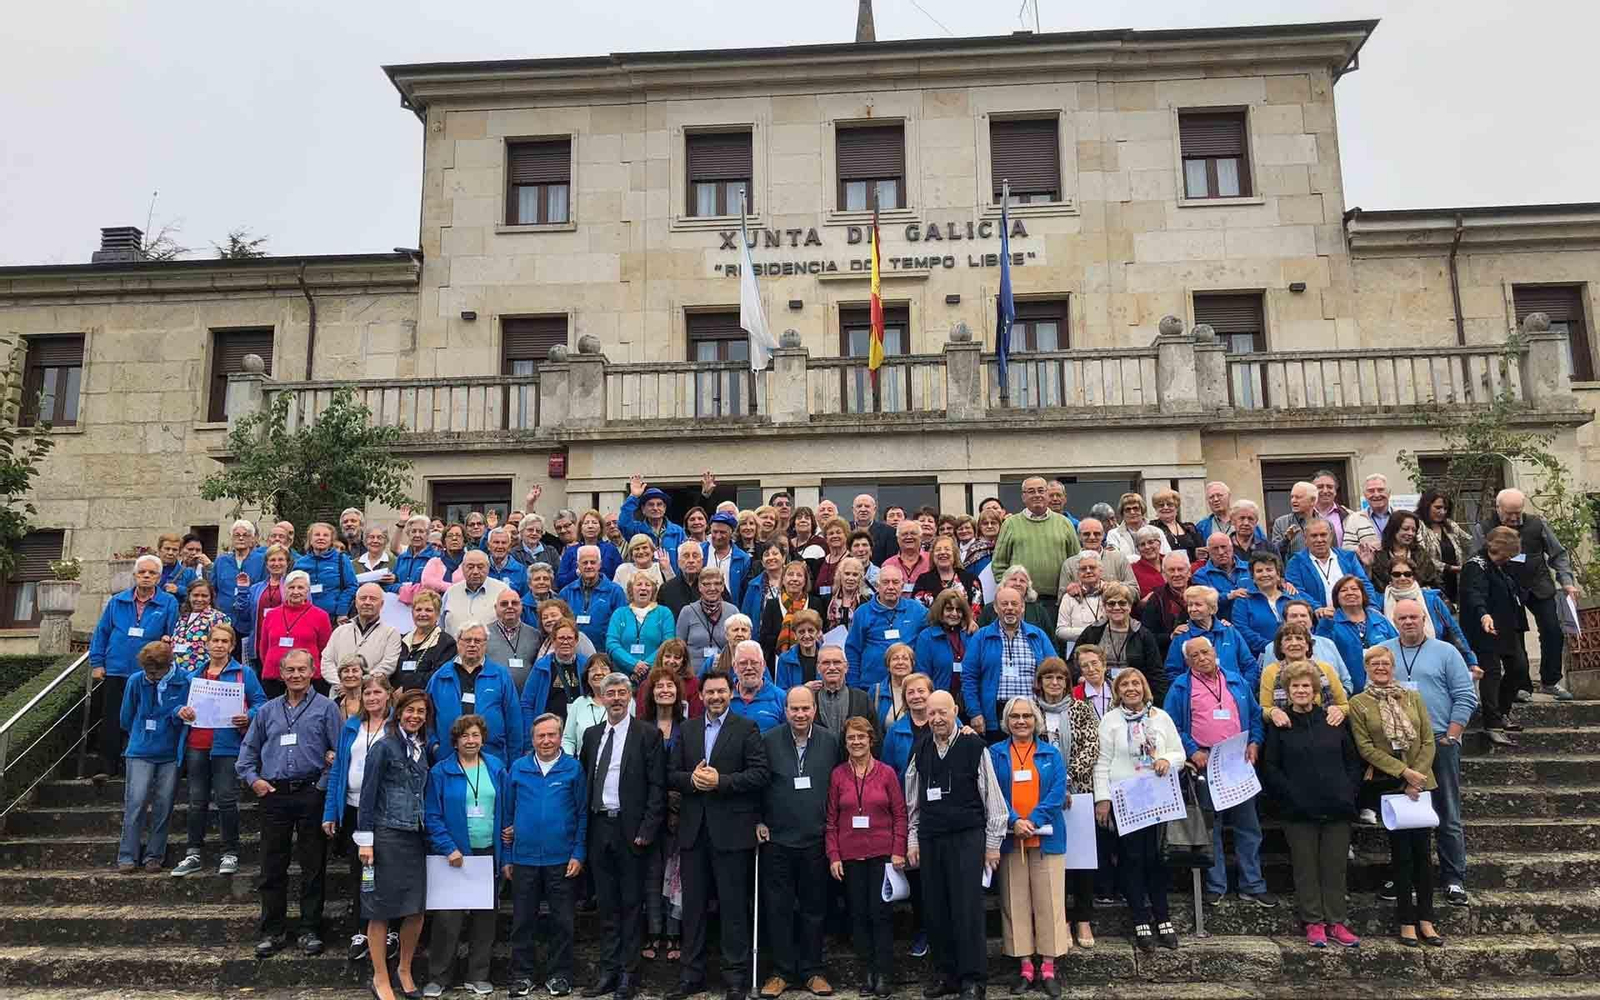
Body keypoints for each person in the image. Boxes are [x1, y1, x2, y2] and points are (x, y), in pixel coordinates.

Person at [667, 670, 770, 1000]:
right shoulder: (688, 729)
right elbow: (671, 774)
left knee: (734, 907)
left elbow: (759, 774)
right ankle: (691, 974)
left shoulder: (747, 728)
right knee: (693, 908)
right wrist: (692, 781)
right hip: (694, 832)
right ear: (702, 696)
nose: (715, 697)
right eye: (709, 692)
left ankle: (735, 977)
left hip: (733, 831)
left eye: (721, 692)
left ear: (731, 693)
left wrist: (720, 782)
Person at [236, 649, 343, 959]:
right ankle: (272, 931)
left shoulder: (327, 709)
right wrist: (255, 780)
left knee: (313, 865)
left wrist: (322, 786)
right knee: (272, 866)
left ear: (313, 672)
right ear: (281, 674)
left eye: (302, 670)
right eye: (290, 670)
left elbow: (340, 753)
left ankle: (310, 929)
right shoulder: (267, 711)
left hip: (311, 792)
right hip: (275, 794)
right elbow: (247, 753)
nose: (296, 675)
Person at [904, 690, 1009, 1000]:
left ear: (955, 712)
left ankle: (973, 979)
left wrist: (992, 844)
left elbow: (994, 799)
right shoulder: (920, 747)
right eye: (931, 713)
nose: (936, 718)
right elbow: (913, 799)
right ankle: (945, 975)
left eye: (943, 712)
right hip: (931, 837)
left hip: (967, 836)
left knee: (967, 908)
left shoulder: (974, 745)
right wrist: (913, 837)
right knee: (935, 909)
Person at [1378, 599, 1477, 909]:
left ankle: (1453, 878)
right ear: (1394, 621)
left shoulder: (1446, 652)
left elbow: (1465, 696)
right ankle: (1404, 875)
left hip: (1439, 740)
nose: (1409, 622)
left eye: (1414, 617)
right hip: (1399, 745)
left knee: (1447, 810)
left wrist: (1453, 735)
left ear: (1424, 619)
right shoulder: (1383, 652)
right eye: (1402, 617)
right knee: (1403, 814)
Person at [1258, 661, 1364, 949]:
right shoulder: (1281, 725)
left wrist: (1348, 791)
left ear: (1316, 690)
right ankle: (1314, 923)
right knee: (1306, 868)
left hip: (1337, 806)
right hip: (1298, 810)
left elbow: (1352, 762)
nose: (1302, 690)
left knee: (1335, 867)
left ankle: (1337, 922)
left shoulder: (1333, 720)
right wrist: (1290, 796)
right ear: (1288, 692)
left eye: (1306, 686)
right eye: (1296, 687)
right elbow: (1271, 768)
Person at [1164, 636, 1274, 907]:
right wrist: (1192, 750)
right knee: (1211, 827)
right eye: (1194, 656)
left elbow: (1257, 716)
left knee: (1248, 826)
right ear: (1187, 661)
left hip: (1239, 762)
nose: (1201, 658)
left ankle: (1253, 884)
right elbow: (1171, 726)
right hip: (1206, 763)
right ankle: (1216, 885)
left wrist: (1255, 743)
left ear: (1214, 652)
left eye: (1205, 652)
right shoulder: (1180, 687)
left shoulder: (1237, 681)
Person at [1348, 647, 1444, 947]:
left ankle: (1427, 919)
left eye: (1385, 663)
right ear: (1366, 667)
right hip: (1389, 784)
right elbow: (1366, 748)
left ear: (1393, 666)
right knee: (1401, 856)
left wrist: (1418, 775)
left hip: (1421, 783)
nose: (1381, 667)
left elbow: (1428, 739)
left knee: (1424, 856)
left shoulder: (1412, 697)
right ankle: (1406, 920)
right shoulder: (1358, 704)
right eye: (1374, 663)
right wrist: (1404, 773)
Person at [578, 672, 666, 1000]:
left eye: (621, 693)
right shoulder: (591, 736)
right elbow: (586, 781)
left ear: (630, 698)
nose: (615, 698)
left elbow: (658, 787)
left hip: (633, 831)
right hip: (599, 827)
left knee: (631, 903)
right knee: (607, 904)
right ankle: (608, 971)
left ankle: (629, 974)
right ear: (601, 698)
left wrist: (647, 829)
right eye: (609, 693)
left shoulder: (647, 735)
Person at [755, 685, 840, 999]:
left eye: (806, 709)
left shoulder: (831, 742)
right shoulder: (769, 740)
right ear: (786, 710)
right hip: (778, 839)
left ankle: (813, 970)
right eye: (795, 709)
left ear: (814, 710)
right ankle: (781, 972)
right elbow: (758, 784)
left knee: (815, 909)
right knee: (777, 908)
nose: (800, 714)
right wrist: (758, 819)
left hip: (816, 839)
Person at [1093, 668, 1184, 950]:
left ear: (1144, 687)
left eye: (1136, 683)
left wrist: (1167, 759)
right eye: (1125, 685)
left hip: (1156, 798)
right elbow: (1102, 762)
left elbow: (1179, 752)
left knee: (1155, 858)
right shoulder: (1110, 721)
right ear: (1118, 691)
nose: (1131, 688)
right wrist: (1102, 799)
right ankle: (1140, 918)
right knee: (1131, 858)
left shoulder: (1160, 717)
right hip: (1125, 799)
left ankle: (1162, 916)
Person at [423, 713, 508, 997]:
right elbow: (432, 816)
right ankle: (439, 976)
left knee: (486, 918)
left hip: (487, 853)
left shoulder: (496, 767)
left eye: (475, 735)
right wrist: (449, 847)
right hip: (454, 855)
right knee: (448, 919)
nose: (471, 741)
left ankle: (478, 975)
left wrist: (505, 851)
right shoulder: (440, 772)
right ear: (455, 741)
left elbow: (505, 811)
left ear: (483, 738)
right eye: (465, 736)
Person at [354, 688, 431, 1000]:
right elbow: (367, 796)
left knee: (416, 911)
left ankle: (404, 969)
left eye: (421, 712)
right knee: (380, 910)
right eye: (410, 710)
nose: (415, 716)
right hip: (385, 836)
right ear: (398, 712)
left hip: (415, 836)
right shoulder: (383, 747)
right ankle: (380, 977)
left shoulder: (422, 749)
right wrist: (366, 842)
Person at [503, 713, 588, 998]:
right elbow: (506, 816)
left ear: (560, 736)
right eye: (541, 735)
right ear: (533, 738)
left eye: (552, 735)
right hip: (524, 859)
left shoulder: (573, 769)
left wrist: (578, 852)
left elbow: (582, 815)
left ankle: (560, 975)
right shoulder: (518, 768)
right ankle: (522, 975)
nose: (546, 740)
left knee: (562, 921)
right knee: (522, 921)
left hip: (561, 859)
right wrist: (507, 856)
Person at [990, 696, 1069, 995]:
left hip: (1047, 838)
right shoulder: (995, 753)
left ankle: (1048, 967)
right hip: (1011, 840)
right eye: (1014, 717)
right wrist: (1014, 822)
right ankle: (1025, 966)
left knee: (1049, 903)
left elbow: (1057, 791)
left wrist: (1032, 820)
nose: (1021, 721)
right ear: (1006, 722)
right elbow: (992, 792)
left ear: (1036, 720)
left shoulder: (1051, 753)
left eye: (1026, 716)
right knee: (1015, 902)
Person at [172, 622, 264, 877]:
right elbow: (176, 705)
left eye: (225, 641)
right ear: (207, 644)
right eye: (216, 641)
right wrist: (181, 710)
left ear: (232, 646)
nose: (220, 645)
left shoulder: (244, 673)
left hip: (227, 746)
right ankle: (193, 853)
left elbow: (261, 703)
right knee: (196, 801)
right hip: (197, 744)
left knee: (226, 799)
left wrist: (249, 715)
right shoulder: (193, 676)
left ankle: (230, 852)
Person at [826, 714, 906, 998]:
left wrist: (899, 850)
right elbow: (831, 819)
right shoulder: (837, 775)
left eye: (861, 737)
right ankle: (867, 972)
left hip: (883, 855)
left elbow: (900, 815)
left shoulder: (886, 773)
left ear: (871, 740)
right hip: (850, 856)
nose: (857, 742)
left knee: (881, 915)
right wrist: (834, 855)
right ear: (845, 743)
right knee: (858, 916)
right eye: (851, 738)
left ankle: (884, 973)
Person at [1474, 488, 1579, 700]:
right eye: (1508, 513)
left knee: (1552, 630)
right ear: (1498, 509)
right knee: (1515, 638)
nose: (1514, 518)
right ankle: (1521, 686)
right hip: (1505, 588)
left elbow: (1558, 554)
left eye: (1517, 512)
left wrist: (1567, 582)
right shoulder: (1483, 528)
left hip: (1538, 584)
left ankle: (1550, 680)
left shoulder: (1537, 524)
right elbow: (1477, 561)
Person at [322, 672, 394, 962]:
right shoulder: (352, 726)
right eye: (368, 693)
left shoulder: (397, 727)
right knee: (360, 872)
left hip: (385, 810)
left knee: (387, 872)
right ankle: (362, 930)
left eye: (378, 692)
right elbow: (339, 769)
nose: (373, 698)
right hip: (353, 808)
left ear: (389, 694)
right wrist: (331, 810)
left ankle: (389, 931)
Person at [89, 554, 180, 782]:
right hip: (116, 669)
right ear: (135, 575)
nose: (146, 576)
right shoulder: (117, 601)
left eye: (152, 573)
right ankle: (107, 767)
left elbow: (172, 635)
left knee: (143, 716)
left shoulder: (169, 602)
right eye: (142, 572)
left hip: (148, 673)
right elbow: (102, 633)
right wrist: (97, 663)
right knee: (111, 718)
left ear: (159, 577)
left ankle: (137, 765)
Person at [1032, 655, 1100, 948]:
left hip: (1078, 793)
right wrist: (1052, 787)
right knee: (1052, 862)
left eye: (1060, 678)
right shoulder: (1029, 710)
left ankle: (1083, 917)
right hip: (1041, 796)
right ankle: (1061, 919)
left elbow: (1091, 746)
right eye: (1049, 677)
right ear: (1040, 682)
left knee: (1081, 862)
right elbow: (1026, 747)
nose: (1055, 683)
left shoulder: (1081, 709)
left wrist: (1066, 780)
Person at [114, 641, 186, 873]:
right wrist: (140, 734)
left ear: (169, 665)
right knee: (135, 803)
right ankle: (127, 855)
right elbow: (126, 716)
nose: (152, 677)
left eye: (156, 672)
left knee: (164, 805)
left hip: (169, 751)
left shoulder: (185, 681)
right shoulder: (136, 681)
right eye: (148, 672)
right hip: (140, 750)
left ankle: (155, 855)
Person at [639, 665, 689, 962]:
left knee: (677, 875)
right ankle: (653, 930)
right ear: (651, 693)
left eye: (670, 686)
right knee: (652, 874)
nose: (665, 691)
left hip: (680, 811)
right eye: (659, 686)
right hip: (649, 810)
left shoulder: (689, 727)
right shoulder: (642, 726)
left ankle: (674, 933)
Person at [426, 621, 525, 764]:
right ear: (458, 642)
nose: (472, 644)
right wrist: (434, 746)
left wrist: (513, 761)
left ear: (485, 644)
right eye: (467, 640)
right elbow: (427, 717)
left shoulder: (501, 675)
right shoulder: (440, 676)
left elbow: (514, 721)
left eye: (478, 640)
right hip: (447, 759)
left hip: (492, 759)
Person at [965, 587, 1054, 743]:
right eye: (1004, 604)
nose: (1010, 608)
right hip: (995, 713)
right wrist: (975, 713)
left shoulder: (1037, 635)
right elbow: (969, 677)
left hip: (1030, 711)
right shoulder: (981, 637)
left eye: (1014, 604)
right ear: (995, 608)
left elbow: (1054, 670)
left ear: (1022, 607)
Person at [990, 477, 1081, 615]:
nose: (1037, 495)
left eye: (1041, 491)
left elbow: (1076, 561)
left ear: (1047, 494)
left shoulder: (1065, 523)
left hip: (1058, 602)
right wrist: (1011, 590)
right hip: (1021, 602)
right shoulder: (1010, 524)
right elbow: (999, 563)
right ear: (1023, 497)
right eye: (1031, 491)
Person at [1382, 559, 1475, 668]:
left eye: (1407, 574)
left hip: (1435, 662)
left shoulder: (1432, 599)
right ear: (1390, 577)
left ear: (1414, 576)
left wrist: (1471, 661)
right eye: (1396, 574)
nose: (1402, 578)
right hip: (1395, 664)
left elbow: (1454, 631)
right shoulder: (1381, 602)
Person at [845, 563, 925, 690]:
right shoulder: (863, 612)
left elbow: (939, 621)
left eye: (895, 582)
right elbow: (853, 650)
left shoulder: (917, 610)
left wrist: (967, 622)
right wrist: (854, 687)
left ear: (902, 586)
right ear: (877, 586)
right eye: (885, 582)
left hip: (907, 687)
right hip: (870, 686)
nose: (891, 587)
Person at [1074, 583, 1162, 695]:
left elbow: (1156, 673)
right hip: (1098, 691)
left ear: (1130, 606)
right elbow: (1073, 663)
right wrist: (1080, 678)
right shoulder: (1092, 632)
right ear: (1104, 607)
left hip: (1133, 692)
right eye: (1111, 603)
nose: (1116, 607)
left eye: (1122, 603)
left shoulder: (1143, 634)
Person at [258, 570, 334, 699]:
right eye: (291, 587)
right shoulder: (271, 615)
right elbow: (264, 648)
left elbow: (325, 650)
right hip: (274, 678)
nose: (295, 591)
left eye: (300, 587)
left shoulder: (321, 616)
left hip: (308, 680)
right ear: (285, 590)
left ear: (308, 590)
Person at [1317, 575, 1398, 693]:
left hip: (1385, 689)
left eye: (1354, 589)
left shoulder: (1379, 619)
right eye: (1344, 590)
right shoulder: (1329, 623)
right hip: (1349, 692)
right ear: (1336, 597)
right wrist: (1325, 624)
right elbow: (1321, 653)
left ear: (1363, 594)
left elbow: (1397, 648)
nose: (1350, 593)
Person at [1257, 623, 1349, 724]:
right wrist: (1273, 712)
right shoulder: (1270, 672)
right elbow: (1264, 709)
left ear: (1308, 646)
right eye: (1288, 639)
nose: (1294, 643)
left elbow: (1344, 705)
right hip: (1285, 730)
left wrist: (1339, 711)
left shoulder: (1326, 668)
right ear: (1281, 647)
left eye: (1299, 638)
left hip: (1323, 727)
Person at [1160, 585, 1254, 683]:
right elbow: (1172, 672)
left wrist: (1244, 689)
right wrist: (1190, 693)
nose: (1192, 609)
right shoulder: (1182, 636)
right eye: (1190, 605)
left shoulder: (1229, 631)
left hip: (1234, 694)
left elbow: (1249, 665)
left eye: (1198, 605)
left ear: (1211, 608)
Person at [1257, 599, 1353, 694]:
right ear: (1285, 622)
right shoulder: (1271, 648)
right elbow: (1267, 687)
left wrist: (1336, 700)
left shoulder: (1328, 644)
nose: (1300, 619)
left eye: (1303, 615)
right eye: (1294, 616)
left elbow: (1346, 682)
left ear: (1311, 621)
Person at [320, 582, 403, 686]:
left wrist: (361, 683)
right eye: (363, 598)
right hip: (339, 693)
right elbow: (327, 662)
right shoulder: (339, 631)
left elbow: (389, 664)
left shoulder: (391, 633)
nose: (367, 602)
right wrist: (342, 684)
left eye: (373, 599)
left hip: (371, 695)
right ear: (355, 603)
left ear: (381, 604)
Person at [1285, 520, 1378, 612]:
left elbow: (1364, 584)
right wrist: (1318, 609)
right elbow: (1297, 591)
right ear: (1305, 539)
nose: (1319, 540)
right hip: (1316, 620)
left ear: (1331, 536)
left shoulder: (1348, 557)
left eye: (1323, 535)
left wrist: (1372, 608)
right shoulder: (1295, 562)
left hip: (1352, 617)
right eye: (1314, 536)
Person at [608, 572, 678, 688]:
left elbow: (667, 644)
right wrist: (633, 664)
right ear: (631, 590)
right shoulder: (619, 613)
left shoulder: (664, 613)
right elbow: (611, 644)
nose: (643, 588)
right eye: (639, 584)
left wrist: (645, 667)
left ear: (653, 590)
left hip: (655, 676)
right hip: (623, 677)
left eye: (648, 585)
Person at [561, 545, 629, 653]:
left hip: (605, 653)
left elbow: (623, 625)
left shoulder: (615, 591)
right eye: (585, 562)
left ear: (600, 564)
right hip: (574, 654)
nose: (589, 566)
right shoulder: (567, 592)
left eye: (592, 562)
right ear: (578, 565)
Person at [914, 589, 976, 708]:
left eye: (958, 610)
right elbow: (922, 676)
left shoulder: (970, 634)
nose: (954, 614)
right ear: (940, 610)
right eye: (949, 609)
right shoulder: (927, 637)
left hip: (968, 703)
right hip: (937, 703)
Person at [235, 543, 293, 668]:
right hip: (259, 643)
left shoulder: (294, 587)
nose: (276, 563)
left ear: (287, 563)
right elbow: (244, 615)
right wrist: (243, 590)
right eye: (272, 560)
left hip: (285, 643)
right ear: (266, 564)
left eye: (280, 559)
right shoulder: (256, 588)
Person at [759, 560, 826, 666]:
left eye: (799, 575)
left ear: (805, 581)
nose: (794, 579)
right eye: (790, 574)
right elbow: (764, 638)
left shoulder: (815, 603)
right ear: (783, 580)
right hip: (778, 661)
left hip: (812, 660)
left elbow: (822, 632)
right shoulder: (773, 604)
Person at [677, 565, 739, 674]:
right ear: (699, 587)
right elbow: (679, 647)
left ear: (723, 587)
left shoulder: (732, 611)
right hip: (693, 675)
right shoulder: (687, 612)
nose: (712, 588)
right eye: (707, 584)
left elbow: (738, 645)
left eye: (717, 583)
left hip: (725, 674)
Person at [1230, 552, 1294, 657]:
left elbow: (1305, 623)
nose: (1265, 574)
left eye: (1269, 570)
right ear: (1253, 577)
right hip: (1260, 656)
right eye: (1259, 571)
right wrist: (1273, 648)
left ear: (1278, 574)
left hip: (1295, 652)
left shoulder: (1291, 597)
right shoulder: (1243, 600)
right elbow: (1242, 630)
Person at [1416, 489, 1474, 605]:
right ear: (1427, 505)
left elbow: (1470, 542)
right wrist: (1448, 567)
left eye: (1445, 509)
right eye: (1438, 508)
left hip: (1455, 582)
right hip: (1431, 583)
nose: (1442, 512)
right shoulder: (1418, 525)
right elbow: (1421, 555)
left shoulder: (1450, 525)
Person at [620, 478, 690, 572]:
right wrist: (633, 497)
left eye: (659, 504)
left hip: (671, 582)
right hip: (644, 583)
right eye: (651, 505)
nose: (655, 508)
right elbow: (623, 523)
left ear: (664, 508)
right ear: (643, 509)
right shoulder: (637, 530)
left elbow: (685, 558)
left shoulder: (677, 531)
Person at [294, 522, 358, 623]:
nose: (321, 538)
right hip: (304, 617)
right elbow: (293, 589)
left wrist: (342, 612)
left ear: (331, 540)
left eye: (325, 535)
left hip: (333, 618)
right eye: (317, 535)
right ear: (310, 539)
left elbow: (351, 586)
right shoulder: (301, 563)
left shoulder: (341, 559)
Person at [814, 645, 880, 743]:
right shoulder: (810, 700)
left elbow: (875, 738)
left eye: (837, 662)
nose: (832, 667)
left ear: (846, 667)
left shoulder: (862, 699)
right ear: (818, 668)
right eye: (826, 663)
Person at [1057, 518, 1137, 598]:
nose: (1092, 537)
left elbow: (1135, 592)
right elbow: (1061, 599)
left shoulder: (1119, 559)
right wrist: (1070, 591)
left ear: (1103, 535)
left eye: (1097, 534)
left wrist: (1114, 588)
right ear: (1079, 537)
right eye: (1086, 534)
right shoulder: (1069, 564)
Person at [397, 590, 457, 691]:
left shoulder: (447, 643)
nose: (423, 614)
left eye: (428, 610)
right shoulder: (401, 640)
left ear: (437, 614)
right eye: (418, 609)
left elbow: (438, 676)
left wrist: (406, 687)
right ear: (412, 613)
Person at [213, 518, 267, 629]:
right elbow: (213, 589)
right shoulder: (221, 561)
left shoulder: (261, 561)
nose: (241, 538)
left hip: (249, 619)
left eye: (245, 535)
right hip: (223, 619)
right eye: (237, 535)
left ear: (252, 539)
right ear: (232, 538)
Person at [443, 550, 511, 638]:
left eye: (480, 567)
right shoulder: (451, 592)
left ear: (488, 568)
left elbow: (512, 625)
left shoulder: (502, 591)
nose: (475, 571)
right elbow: (441, 626)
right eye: (470, 567)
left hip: (491, 650)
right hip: (454, 650)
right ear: (462, 568)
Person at [1140, 552, 1194, 660]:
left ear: (1189, 572)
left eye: (1180, 569)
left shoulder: (1202, 593)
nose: (1176, 574)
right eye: (1171, 570)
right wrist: (1171, 636)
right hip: (1169, 656)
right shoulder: (1156, 599)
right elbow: (1146, 636)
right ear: (1164, 575)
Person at [1369, 511, 1441, 591]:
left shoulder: (1420, 553)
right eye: (1406, 529)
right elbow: (1374, 586)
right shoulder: (1379, 555)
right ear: (1393, 529)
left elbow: (1434, 581)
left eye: (1414, 530)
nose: (1410, 533)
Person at [913, 536, 983, 618]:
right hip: (932, 628)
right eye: (938, 550)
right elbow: (917, 609)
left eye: (947, 549)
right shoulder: (923, 580)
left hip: (964, 629)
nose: (942, 552)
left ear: (954, 554)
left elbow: (977, 608)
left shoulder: (970, 579)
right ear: (932, 555)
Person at [1311, 469, 1378, 555]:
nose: (1325, 491)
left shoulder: (1351, 516)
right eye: (1320, 487)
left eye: (1329, 487)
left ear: (1335, 491)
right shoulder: (1304, 516)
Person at [171, 577, 228, 674]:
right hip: (178, 672)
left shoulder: (218, 618)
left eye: (204, 596)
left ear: (211, 598)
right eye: (196, 595)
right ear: (189, 596)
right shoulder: (183, 617)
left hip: (202, 674)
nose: (199, 599)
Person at [488, 588, 542, 692]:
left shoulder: (535, 635)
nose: (510, 606)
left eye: (514, 603)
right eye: (504, 604)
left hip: (525, 698)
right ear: (496, 608)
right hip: (493, 697)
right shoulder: (484, 634)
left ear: (521, 606)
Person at [1053, 553, 1109, 651]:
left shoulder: (1111, 593)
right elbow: (1060, 631)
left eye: (1092, 567)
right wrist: (1089, 632)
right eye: (1083, 569)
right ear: (1078, 573)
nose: (1088, 571)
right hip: (1078, 651)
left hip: (1107, 649)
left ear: (1100, 570)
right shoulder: (1068, 597)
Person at [977, 566, 1055, 636]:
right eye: (1013, 579)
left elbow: (1051, 642)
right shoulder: (989, 609)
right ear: (1004, 583)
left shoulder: (1039, 611)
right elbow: (979, 638)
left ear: (1027, 587)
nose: (1018, 584)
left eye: (1022, 581)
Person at [728, 640, 786, 732]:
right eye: (743, 663)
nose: (749, 668)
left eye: (754, 663)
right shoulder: (724, 696)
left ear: (763, 665)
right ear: (734, 667)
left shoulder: (781, 698)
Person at [557, 512, 624, 589]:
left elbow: (620, 576)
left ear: (601, 528)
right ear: (580, 528)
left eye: (594, 523)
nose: (590, 526)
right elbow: (560, 581)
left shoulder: (610, 549)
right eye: (586, 523)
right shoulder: (571, 551)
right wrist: (577, 573)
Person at [1192, 534, 1248, 618]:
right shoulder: (1201, 575)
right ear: (1208, 551)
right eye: (1215, 548)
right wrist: (1229, 596)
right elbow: (1204, 602)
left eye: (1223, 547)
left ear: (1232, 547)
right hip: (1221, 626)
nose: (1221, 552)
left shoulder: (1249, 568)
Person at [703, 512, 752, 601]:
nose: (718, 536)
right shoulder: (700, 552)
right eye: (715, 532)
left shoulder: (743, 558)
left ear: (731, 533)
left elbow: (744, 592)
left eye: (722, 532)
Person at [1106, 493, 1170, 561]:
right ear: (1122, 513)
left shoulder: (1156, 531)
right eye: (1128, 509)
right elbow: (1114, 560)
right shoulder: (1113, 534)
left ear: (1142, 510)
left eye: (1135, 508)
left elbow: (1167, 556)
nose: (1132, 512)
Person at [774, 609, 825, 692]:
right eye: (801, 632)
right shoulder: (785, 659)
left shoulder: (828, 657)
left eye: (811, 631)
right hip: (796, 704)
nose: (807, 636)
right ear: (795, 635)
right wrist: (803, 689)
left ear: (818, 632)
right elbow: (780, 694)